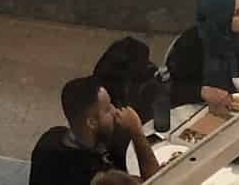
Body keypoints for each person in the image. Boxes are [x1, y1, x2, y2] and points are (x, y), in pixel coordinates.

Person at [30, 76, 160, 185]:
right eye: (108, 109)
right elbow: (158, 181)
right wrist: (137, 132)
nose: (115, 111)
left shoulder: (50, 138)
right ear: (91, 123)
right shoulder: (97, 177)